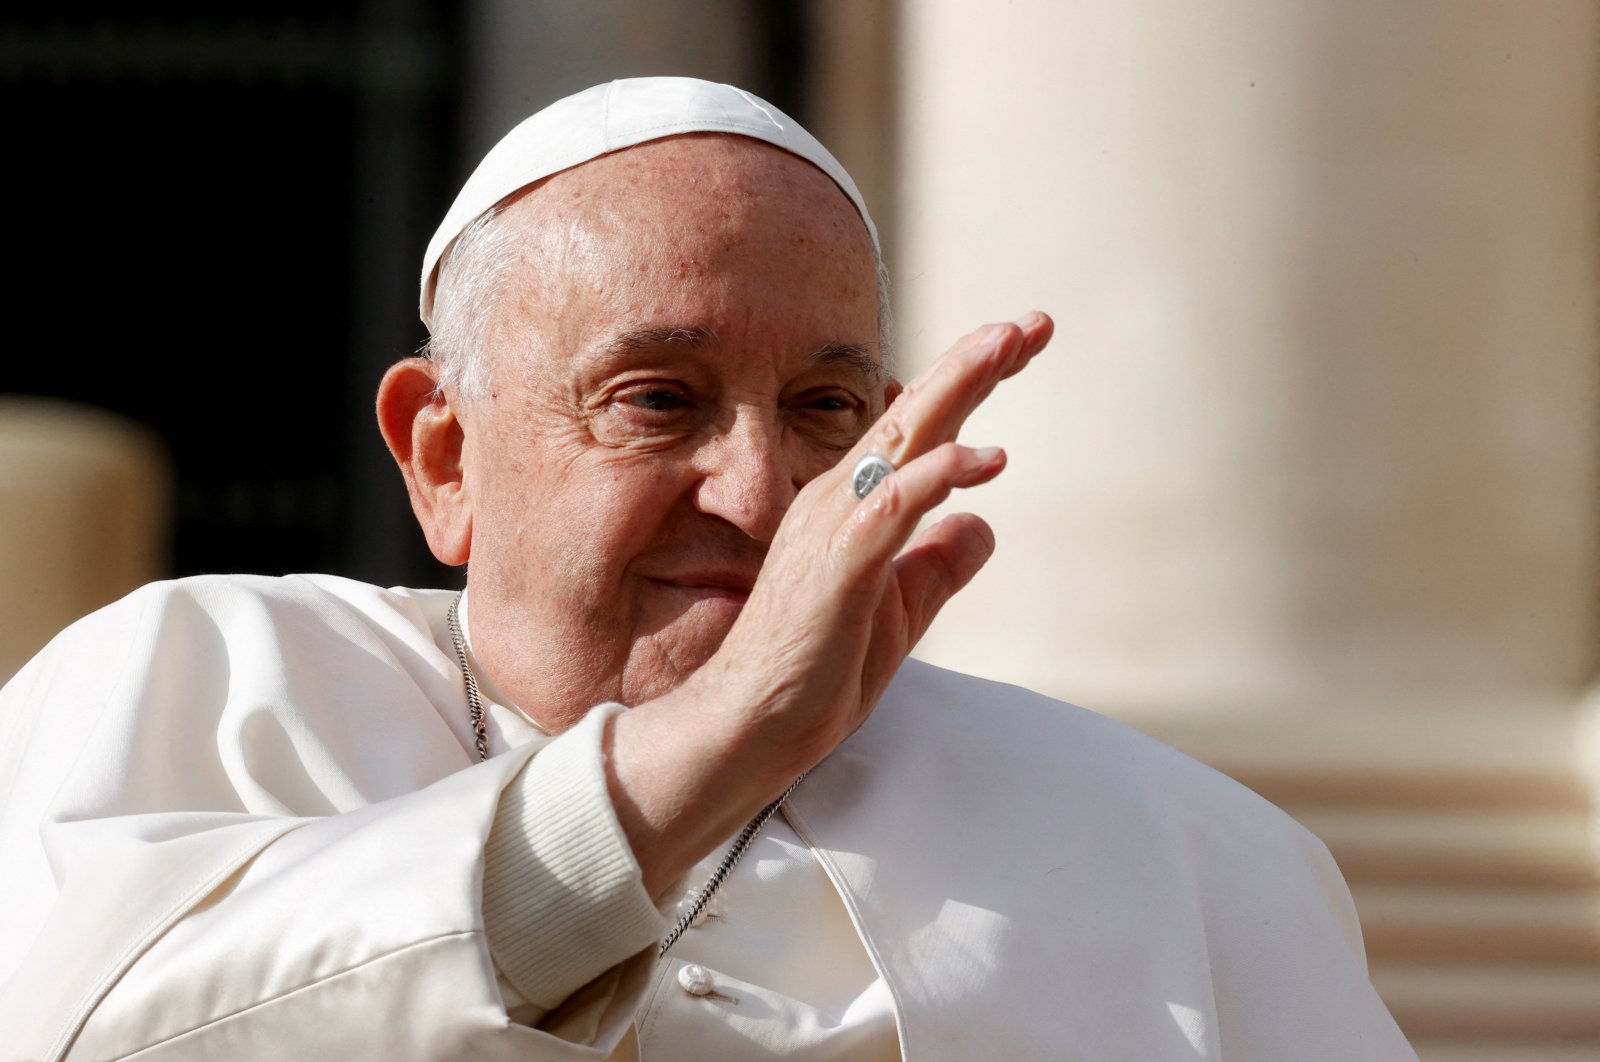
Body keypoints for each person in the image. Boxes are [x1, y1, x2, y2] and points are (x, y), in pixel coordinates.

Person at [0, 78, 1414, 1060]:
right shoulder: (194, 682)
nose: (758, 496)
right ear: (442, 455)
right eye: (660, 398)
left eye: (824, 411)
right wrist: (699, 754)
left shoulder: (1177, 846)